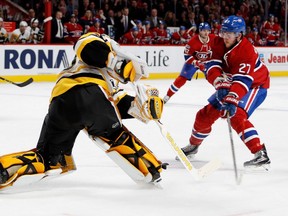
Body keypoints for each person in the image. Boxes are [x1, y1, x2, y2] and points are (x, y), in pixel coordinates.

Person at [0, 33, 165, 189]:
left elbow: (117, 104)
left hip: (61, 103)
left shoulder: (106, 80)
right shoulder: (97, 46)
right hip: (91, 93)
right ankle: (150, 169)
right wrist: (116, 63)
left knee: (50, 158)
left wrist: (142, 107)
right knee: (113, 133)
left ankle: (4, 170)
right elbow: (84, 45)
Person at [178, 15, 271, 170]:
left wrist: (232, 99)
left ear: (239, 35)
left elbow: (243, 81)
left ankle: (260, 153)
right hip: (232, 82)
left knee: (236, 115)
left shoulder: (246, 51)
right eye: (223, 33)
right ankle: (193, 146)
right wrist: (220, 85)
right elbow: (212, 67)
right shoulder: (217, 43)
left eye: (229, 34)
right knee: (204, 115)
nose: (225, 37)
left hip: (254, 85)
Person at [163, 22, 215, 103]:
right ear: (200, 31)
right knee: (182, 78)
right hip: (193, 62)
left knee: (215, 77)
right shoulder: (193, 41)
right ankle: (168, 96)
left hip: (206, 62)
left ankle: (223, 96)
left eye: (208, 30)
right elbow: (186, 54)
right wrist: (196, 62)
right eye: (204, 30)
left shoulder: (213, 38)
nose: (206, 33)